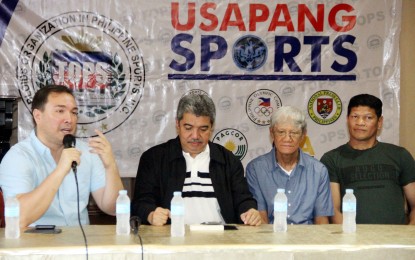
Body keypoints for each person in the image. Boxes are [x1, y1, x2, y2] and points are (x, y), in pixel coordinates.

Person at [0, 85, 124, 227]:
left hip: (81, 244)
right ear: (37, 116)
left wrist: (111, 166)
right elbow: (18, 218)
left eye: (74, 112)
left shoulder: (87, 152)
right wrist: (60, 170)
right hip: (37, 246)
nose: (69, 119)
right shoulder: (18, 157)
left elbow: (113, 208)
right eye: (60, 111)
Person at [131, 94, 261, 226]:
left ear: (211, 127)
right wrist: (151, 214)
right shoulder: (154, 158)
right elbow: (140, 203)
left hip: (221, 238)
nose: (195, 136)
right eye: (188, 128)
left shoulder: (228, 161)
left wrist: (250, 211)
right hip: (171, 239)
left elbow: (243, 199)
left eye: (203, 129)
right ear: (177, 124)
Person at [321, 94, 415, 225]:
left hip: (395, 242)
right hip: (352, 241)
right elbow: (334, 210)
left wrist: (408, 235)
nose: (360, 123)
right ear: (347, 119)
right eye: (355, 117)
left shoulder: (400, 155)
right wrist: (349, 240)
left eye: (368, 117)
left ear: (379, 122)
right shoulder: (332, 159)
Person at [246, 106, 333, 224]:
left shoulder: (318, 170)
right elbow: (261, 218)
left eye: (294, 133)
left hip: (308, 239)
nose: (287, 138)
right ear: (272, 133)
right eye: (281, 132)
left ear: (303, 135)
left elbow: (321, 220)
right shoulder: (256, 169)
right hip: (271, 238)